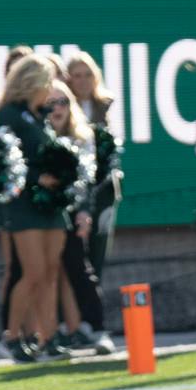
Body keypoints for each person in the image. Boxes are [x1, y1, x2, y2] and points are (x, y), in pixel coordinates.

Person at [0, 53, 69, 361]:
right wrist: (39, 177)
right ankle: (11, 337)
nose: (51, 88)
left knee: (51, 272)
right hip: (24, 203)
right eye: (47, 81)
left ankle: (47, 336)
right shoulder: (8, 115)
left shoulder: (40, 115)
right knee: (33, 271)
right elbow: (5, 160)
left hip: (50, 205)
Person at [44, 84, 113, 356]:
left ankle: (95, 329)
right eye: (50, 103)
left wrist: (84, 210)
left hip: (71, 211)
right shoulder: (38, 135)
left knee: (79, 270)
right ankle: (43, 333)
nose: (57, 108)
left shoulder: (82, 135)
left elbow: (86, 180)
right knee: (42, 273)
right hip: (43, 211)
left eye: (62, 101)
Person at [65, 52, 122, 346]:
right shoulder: (63, 107)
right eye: (77, 75)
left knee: (97, 255)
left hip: (103, 192)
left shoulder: (104, 106)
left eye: (88, 74)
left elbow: (111, 151)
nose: (83, 81)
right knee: (76, 259)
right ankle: (76, 322)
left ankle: (91, 321)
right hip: (75, 194)